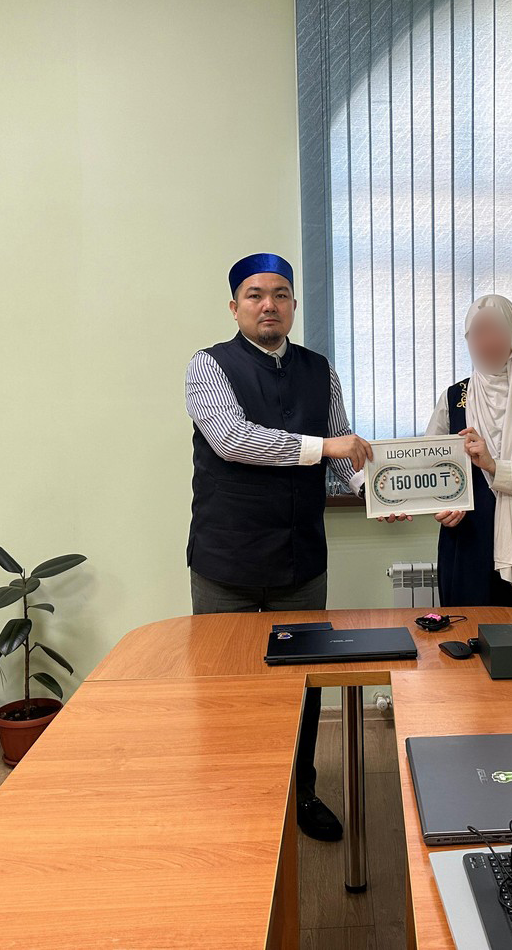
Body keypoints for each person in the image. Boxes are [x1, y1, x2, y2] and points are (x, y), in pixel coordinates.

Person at [184, 252, 372, 841]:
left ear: (293, 305)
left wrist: (375, 493)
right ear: (234, 306)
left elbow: (344, 451)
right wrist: (328, 449)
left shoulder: (321, 370)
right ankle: (235, 799)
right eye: (255, 295)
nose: (269, 305)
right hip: (227, 563)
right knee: (230, 688)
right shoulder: (208, 365)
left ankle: (302, 791)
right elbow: (234, 440)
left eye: (281, 295)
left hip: (301, 562)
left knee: (303, 685)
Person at [381, 295, 512, 619]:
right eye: (477, 333)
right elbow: (427, 468)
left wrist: (495, 467)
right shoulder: (454, 397)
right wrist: (440, 506)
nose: (486, 342)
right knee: (466, 636)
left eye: (495, 330)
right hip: (467, 541)